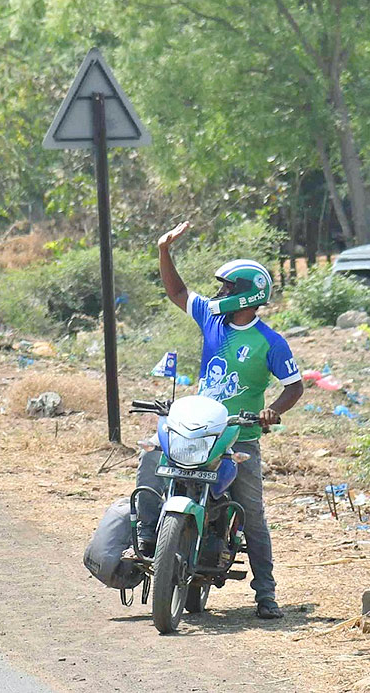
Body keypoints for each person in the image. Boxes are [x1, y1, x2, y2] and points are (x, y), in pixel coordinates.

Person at [145, 220, 304, 620]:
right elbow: (178, 292)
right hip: (198, 427)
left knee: (251, 512)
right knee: (151, 460)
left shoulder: (270, 341)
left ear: (249, 295)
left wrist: (273, 412)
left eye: (227, 288)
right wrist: (164, 250)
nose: (219, 294)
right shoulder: (212, 320)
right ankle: (149, 537)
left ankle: (265, 594)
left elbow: (294, 387)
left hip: (239, 436)